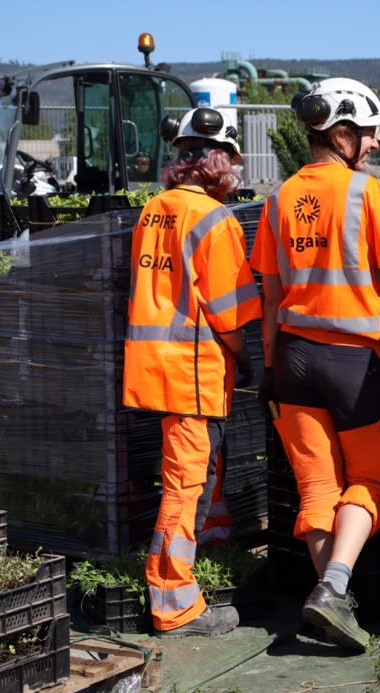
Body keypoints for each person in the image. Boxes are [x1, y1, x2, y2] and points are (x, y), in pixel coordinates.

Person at [250, 77, 380, 652]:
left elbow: (270, 295)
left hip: (291, 359)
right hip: (352, 365)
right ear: (341, 134)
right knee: (373, 479)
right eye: (367, 136)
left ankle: (332, 601)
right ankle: (336, 587)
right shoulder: (366, 194)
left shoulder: (278, 198)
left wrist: (269, 367)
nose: (372, 145)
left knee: (317, 487)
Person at [123, 106, 262, 637]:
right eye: (232, 158)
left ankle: (187, 575)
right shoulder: (215, 220)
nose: (237, 170)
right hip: (193, 373)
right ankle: (173, 603)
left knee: (191, 479)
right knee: (184, 486)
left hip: (156, 369)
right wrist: (248, 359)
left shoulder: (154, 209)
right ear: (215, 161)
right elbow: (228, 313)